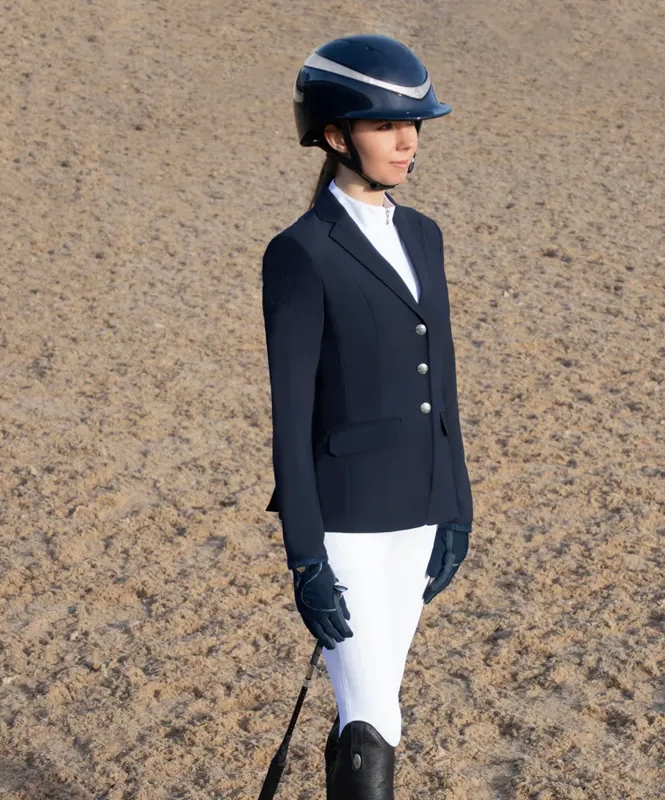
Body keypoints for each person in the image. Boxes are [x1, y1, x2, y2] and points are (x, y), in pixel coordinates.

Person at [261, 34, 474, 800]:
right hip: (345, 525)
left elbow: (441, 386)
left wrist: (456, 503)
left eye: (414, 124)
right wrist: (305, 557)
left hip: (418, 514)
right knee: (373, 709)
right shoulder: (300, 252)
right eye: (386, 125)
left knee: (376, 702)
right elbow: (289, 415)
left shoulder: (424, 236)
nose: (407, 141)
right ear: (333, 134)